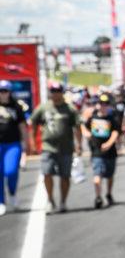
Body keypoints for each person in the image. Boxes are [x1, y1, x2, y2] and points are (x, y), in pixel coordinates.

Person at [30, 82, 82, 214]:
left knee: (65, 176)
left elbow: (77, 126)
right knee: (47, 173)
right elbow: (34, 122)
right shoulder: (43, 108)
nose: (56, 93)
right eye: (53, 91)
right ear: (50, 92)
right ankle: (50, 199)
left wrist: (79, 144)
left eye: (58, 90)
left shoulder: (69, 109)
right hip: (48, 146)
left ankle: (63, 202)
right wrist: (32, 142)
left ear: (62, 92)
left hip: (66, 147)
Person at [81, 94, 119, 208]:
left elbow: (115, 132)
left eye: (105, 104)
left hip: (110, 151)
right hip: (96, 151)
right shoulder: (93, 117)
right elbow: (83, 126)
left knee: (110, 175)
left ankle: (108, 193)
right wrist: (86, 133)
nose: (103, 106)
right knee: (97, 174)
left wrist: (109, 143)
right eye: (101, 104)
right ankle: (98, 197)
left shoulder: (112, 118)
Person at [0, 80, 29, 215]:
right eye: (1, 91)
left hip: (13, 144)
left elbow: (22, 126)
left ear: (10, 92)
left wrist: (26, 143)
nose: (3, 94)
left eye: (5, 91)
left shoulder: (16, 107)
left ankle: (12, 193)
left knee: (10, 171)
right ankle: (1, 201)